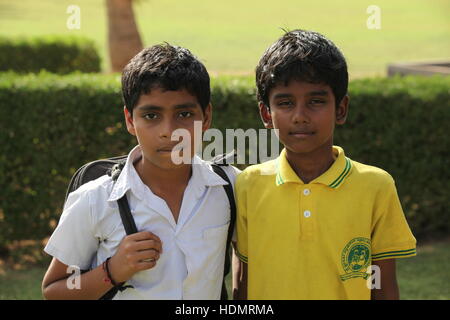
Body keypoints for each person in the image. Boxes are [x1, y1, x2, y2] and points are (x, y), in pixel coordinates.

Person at [42, 43, 239, 299]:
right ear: (129, 120)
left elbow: (247, 259)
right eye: (151, 116)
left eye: (184, 113)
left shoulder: (229, 185)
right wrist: (111, 271)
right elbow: (54, 290)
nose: (169, 130)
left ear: (207, 117)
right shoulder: (95, 200)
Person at [233, 29, 416, 300]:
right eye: (285, 103)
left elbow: (383, 288)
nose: (300, 116)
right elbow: (242, 285)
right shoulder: (248, 184)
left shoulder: (376, 186)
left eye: (316, 101)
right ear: (266, 114)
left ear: (340, 109)